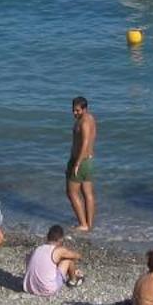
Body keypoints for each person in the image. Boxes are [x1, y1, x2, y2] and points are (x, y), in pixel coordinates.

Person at [23, 224, 83, 296]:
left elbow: (28, 260)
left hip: (29, 287)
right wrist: (72, 267)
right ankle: (73, 280)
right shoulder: (58, 250)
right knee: (68, 260)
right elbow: (77, 256)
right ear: (61, 239)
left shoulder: (38, 249)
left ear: (47, 237)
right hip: (47, 289)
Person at [66, 96, 97, 232]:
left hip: (80, 161)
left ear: (85, 109)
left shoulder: (83, 122)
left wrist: (77, 163)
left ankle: (83, 224)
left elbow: (84, 142)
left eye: (78, 110)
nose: (75, 113)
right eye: (73, 110)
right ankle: (89, 224)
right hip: (89, 160)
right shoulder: (90, 119)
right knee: (87, 193)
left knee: (71, 192)